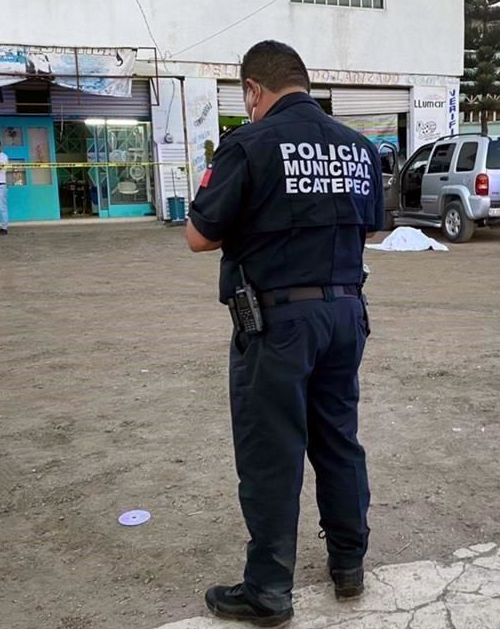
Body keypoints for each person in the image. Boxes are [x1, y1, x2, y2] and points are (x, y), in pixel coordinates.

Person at [186, 41, 383, 627]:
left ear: (254, 89)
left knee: (272, 454)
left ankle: (268, 591)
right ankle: (349, 566)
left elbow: (199, 236)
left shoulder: (249, 144)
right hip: (346, 314)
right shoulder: (359, 146)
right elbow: (371, 231)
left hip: (277, 323)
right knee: (338, 439)